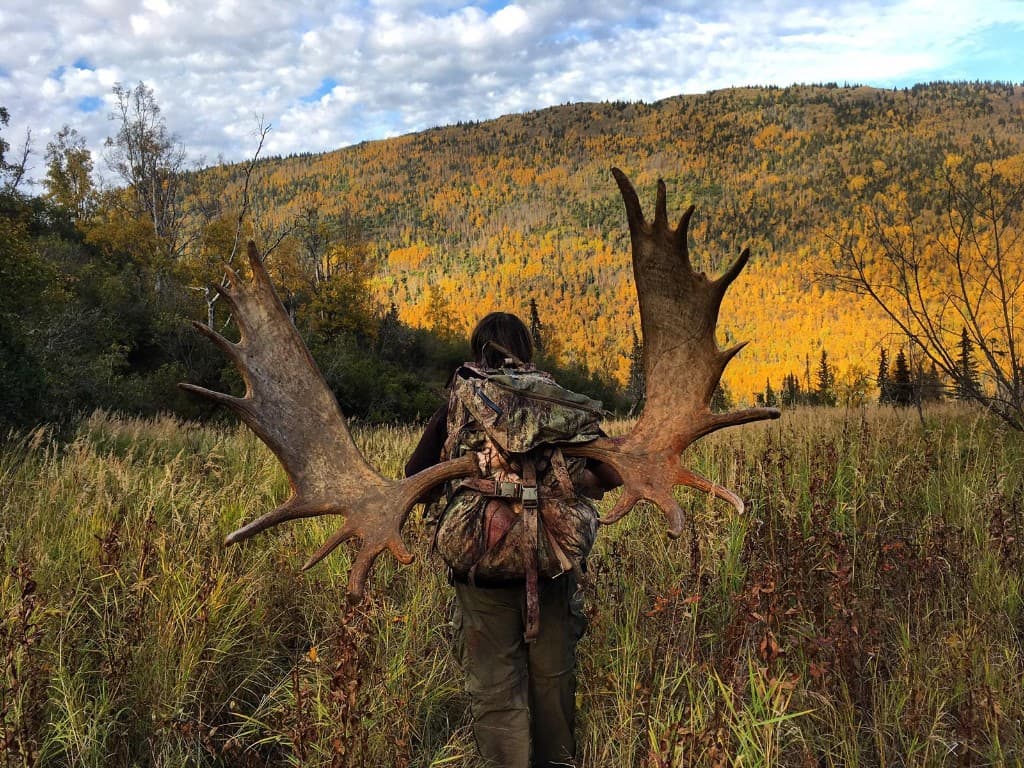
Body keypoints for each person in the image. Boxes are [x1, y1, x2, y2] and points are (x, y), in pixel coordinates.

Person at [405, 312, 618, 768]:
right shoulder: (555, 403)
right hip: (551, 563)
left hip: (480, 573)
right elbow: (614, 471)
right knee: (554, 683)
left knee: (496, 691)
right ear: (527, 350)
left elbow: (413, 479)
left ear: (475, 350)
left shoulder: (458, 404)